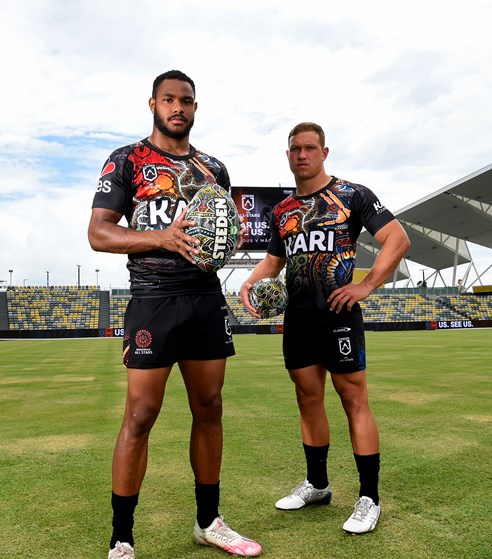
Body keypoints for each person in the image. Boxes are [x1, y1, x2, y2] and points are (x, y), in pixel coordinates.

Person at [89, 70, 262, 559]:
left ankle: (209, 522)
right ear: (152, 104)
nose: (177, 108)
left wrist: (230, 240)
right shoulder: (126, 160)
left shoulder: (215, 169)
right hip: (152, 299)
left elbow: (220, 235)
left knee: (210, 409)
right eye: (169, 100)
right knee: (141, 415)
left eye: (185, 101)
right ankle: (122, 539)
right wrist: (162, 238)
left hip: (206, 299)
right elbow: (99, 234)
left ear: (194, 106)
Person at [240, 122, 410, 535]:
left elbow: (398, 239)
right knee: (307, 400)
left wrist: (366, 285)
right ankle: (318, 484)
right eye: (295, 149)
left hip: (339, 316)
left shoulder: (352, 195)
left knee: (355, 401)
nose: (302, 155)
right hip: (298, 319)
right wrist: (249, 281)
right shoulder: (281, 211)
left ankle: (369, 498)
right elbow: (275, 263)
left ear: (324, 152)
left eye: (310, 148)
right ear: (288, 155)